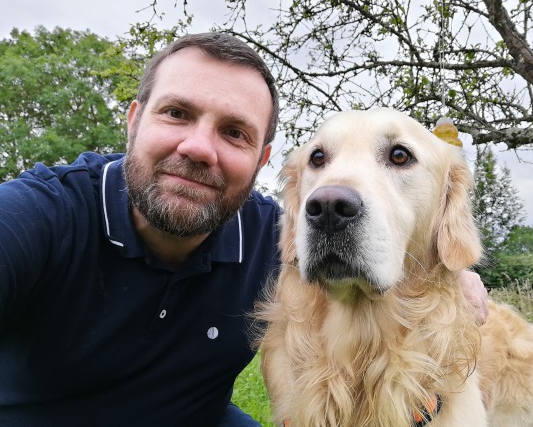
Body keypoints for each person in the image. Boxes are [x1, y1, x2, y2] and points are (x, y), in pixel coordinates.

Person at [0, 32, 487, 426]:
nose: (197, 148)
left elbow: (411, 249)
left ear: (262, 160)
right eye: (177, 113)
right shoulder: (41, 214)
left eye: (234, 132)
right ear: (133, 120)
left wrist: (450, 267)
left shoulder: (267, 235)